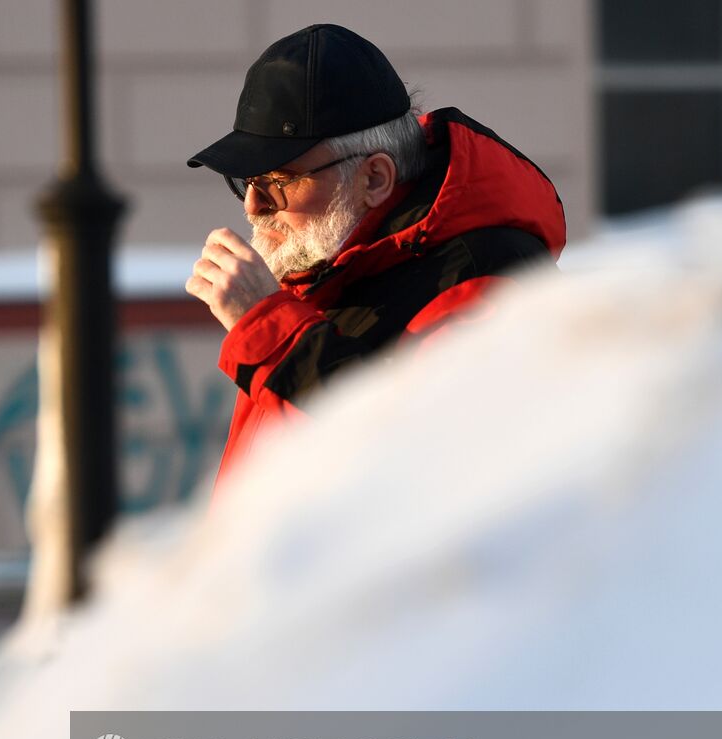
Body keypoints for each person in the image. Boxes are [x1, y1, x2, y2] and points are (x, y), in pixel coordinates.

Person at [185, 24, 566, 481]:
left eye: (279, 180)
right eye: (247, 181)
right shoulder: (329, 264)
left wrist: (269, 329)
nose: (254, 205)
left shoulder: (488, 279)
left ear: (374, 179)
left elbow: (417, 468)